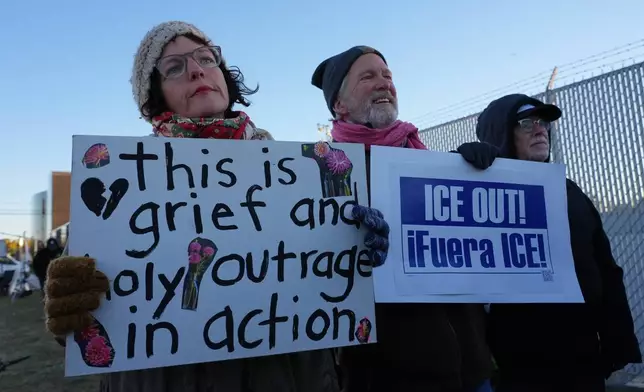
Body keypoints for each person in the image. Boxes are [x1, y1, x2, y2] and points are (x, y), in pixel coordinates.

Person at [43, 21, 387, 392]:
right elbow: (84, 324)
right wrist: (69, 303)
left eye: (206, 58)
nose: (197, 69)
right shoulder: (122, 184)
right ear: (153, 95)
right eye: (174, 67)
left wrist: (354, 246)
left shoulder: (300, 175)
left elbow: (330, 297)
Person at [312, 45, 494, 392]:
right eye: (367, 76)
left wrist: (475, 177)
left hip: (470, 370)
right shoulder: (326, 176)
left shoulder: (429, 161)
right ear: (339, 104)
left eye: (387, 76)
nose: (384, 83)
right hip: (387, 376)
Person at [462, 93, 642, 392]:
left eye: (544, 122)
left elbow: (606, 268)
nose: (540, 129)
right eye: (526, 122)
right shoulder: (482, 194)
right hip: (515, 365)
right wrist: (460, 169)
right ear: (501, 133)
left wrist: (618, 339)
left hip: (582, 356)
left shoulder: (569, 191)